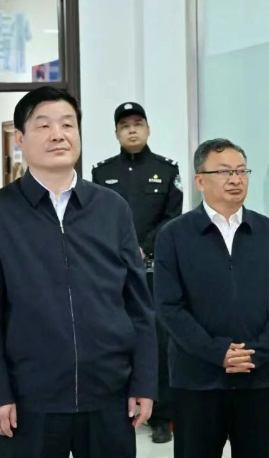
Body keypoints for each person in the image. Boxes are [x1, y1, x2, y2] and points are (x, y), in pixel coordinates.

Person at [0, 87, 157, 457]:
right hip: (30, 400)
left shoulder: (112, 208)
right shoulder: (5, 212)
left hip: (109, 395)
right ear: (20, 138)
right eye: (44, 125)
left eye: (68, 124)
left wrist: (144, 381)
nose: (58, 134)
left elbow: (138, 305)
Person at [154, 138, 269, 458]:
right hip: (197, 381)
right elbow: (169, 307)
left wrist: (256, 353)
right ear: (200, 180)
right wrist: (217, 352)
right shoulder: (174, 235)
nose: (235, 179)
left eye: (241, 171)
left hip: (258, 379)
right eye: (224, 171)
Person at [91, 101, 182, 443]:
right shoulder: (102, 173)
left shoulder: (166, 170)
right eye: (125, 125)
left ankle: (161, 414)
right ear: (116, 133)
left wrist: (142, 246)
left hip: (153, 268)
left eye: (137, 124)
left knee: (157, 338)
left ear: (147, 129)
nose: (132, 130)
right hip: (112, 269)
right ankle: (119, 403)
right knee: (113, 335)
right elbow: (97, 220)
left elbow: (172, 218)